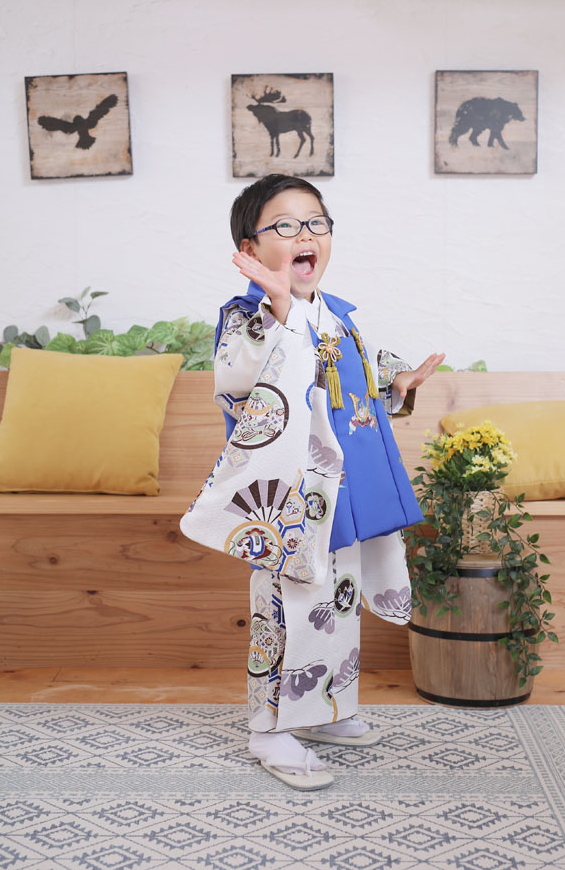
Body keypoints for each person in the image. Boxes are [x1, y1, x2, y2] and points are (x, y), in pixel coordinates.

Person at [180, 174, 445, 790]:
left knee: (336, 600)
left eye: (316, 223)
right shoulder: (248, 318)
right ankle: (268, 729)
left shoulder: (336, 314)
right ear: (250, 249)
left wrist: (397, 384)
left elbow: (359, 374)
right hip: (291, 497)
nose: (306, 234)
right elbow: (241, 379)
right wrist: (279, 311)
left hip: (342, 490)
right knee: (286, 604)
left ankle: (324, 707)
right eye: (285, 225)